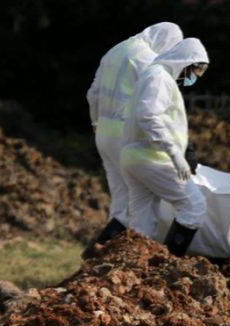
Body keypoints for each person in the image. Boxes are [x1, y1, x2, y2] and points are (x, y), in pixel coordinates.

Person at [83, 22, 183, 259]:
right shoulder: (148, 59)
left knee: (121, 201)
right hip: (127, 138)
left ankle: (104, 260)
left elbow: (92, 94)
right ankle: (107, 256)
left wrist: (96, 123)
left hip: (104, 134)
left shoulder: (115, 51)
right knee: (139, 202)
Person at [120, 37, 210, 257]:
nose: (194, 77)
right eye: (195, 70)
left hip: (137, 157)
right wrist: (174, 154)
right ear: (185, 62)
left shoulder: (155, 75)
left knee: (141, 225)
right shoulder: (160, 77)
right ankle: (167, 266)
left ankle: (134, 271)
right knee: (194, 206)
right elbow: (148, 116)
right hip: (154, 158)